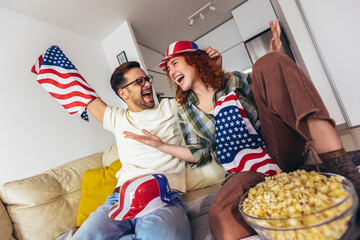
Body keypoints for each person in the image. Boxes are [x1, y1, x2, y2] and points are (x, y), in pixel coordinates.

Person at [123, 20, 360, 240]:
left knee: (266, 62)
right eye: (168, 69)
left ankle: (340, 167)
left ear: (195, 60)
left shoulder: (233, 81)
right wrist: (161, 146)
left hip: (276, 148)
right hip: (242, 172)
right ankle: (301, 189)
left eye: (174, 63)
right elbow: (198, 153)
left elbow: (273, 97)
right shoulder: (186, 112)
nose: (171, 72)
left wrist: (275, 59)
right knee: (222, 222)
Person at [71, 61, 194, 240]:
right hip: (121, 198)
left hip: (163, 197)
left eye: (147, 79)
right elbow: (82, 93)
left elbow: (201, 90)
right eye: (139, 82)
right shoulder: (116, 118)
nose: (148, 84)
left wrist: (208, 64)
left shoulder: (170, 108)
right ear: (123, 93)